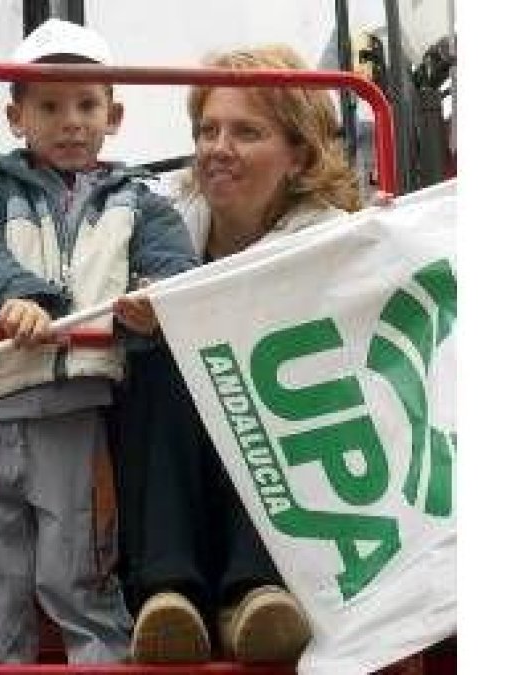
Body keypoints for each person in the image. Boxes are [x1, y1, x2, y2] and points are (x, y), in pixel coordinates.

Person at [0, 19, 199, 665]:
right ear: (15, 115)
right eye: (50, 107)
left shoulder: (137, 202)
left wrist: (151, 301)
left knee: (75, 566)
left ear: (112, 115)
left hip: (74, 413)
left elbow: (174, 266)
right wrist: (14, 299)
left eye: (87, 105)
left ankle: (102, 658)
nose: (71, 122)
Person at [111, 44, 363, 665]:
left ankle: (257, 592)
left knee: (259, 362)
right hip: (179, 472)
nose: (217, 148)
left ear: (299, 153)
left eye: (246, 132)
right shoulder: (155, 223)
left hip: (291, 489)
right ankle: (168, 596)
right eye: (207, 130)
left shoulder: (339, 242)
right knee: (159, 356)